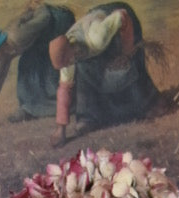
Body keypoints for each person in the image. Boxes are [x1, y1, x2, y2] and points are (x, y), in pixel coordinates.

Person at [48, 4, 158, 145]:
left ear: (71, 49)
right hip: (98, 29)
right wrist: (60, 129)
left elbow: (122, 15)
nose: (67, 65)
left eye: (67, 61)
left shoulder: (96, 38)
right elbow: (64, 89)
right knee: (84, 72)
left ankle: (147, 104)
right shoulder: (67, 59)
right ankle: (88, 119)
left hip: (118, 19)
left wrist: (127, 52)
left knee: (127, 66)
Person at [0, 4, 76, 129]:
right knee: (26, 66)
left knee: (48, 67)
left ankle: (66, 104)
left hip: (58, 23)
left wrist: (37, 6)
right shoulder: (4, 51)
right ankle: (28, 108)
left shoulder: (17, 36)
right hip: (41, 37)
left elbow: (45, 17)